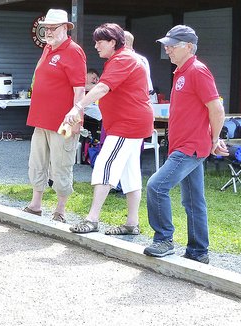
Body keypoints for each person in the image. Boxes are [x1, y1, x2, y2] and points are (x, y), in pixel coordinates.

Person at [143, 25, 228, 264]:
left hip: (190, 147)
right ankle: (198, 251)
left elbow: (216, 109)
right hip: (185, 144)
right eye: (166, 45)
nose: (167, 49)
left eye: (172, 45)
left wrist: (214, 139)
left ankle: (164, 239)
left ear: (189, 47)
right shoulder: (181, 71)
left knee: (156, 186)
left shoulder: (197, 71)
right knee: (193, 200)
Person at [64, 23, 153, 235]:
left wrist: (78, 107)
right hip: (132, 123)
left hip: (127, 124)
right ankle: (132, 223)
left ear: (113, 42)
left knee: (105, 165)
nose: (95, 46)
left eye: (99, 42)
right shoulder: (123, 58)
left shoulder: (123, 59)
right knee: (130, 173)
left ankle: (92, 219)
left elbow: (103, 87)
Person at [23, 9, 87, 222]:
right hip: (41, 119)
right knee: (37, 162)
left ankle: (60, 210)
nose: (48, 32)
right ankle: (36, 204)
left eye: (53, 27)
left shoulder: (74, 51)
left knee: (61, 164)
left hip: (64, 122)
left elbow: (79, 89)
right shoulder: (48, 49)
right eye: (46, 28)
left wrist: (78, 117)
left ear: (65, 28)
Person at [124, 31, 157, 103]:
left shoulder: (127, 59)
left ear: (124, 43)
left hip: (136, 99)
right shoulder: (142, 58)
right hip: (149, 96)